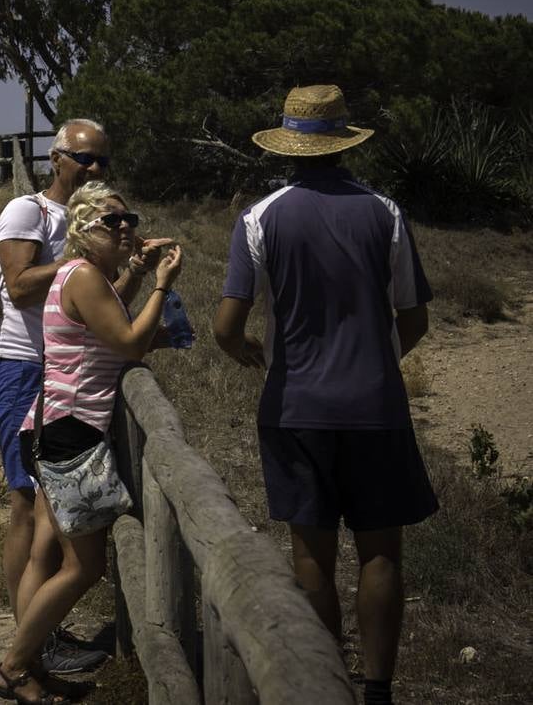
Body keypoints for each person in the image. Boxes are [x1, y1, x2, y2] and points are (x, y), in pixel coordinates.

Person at [213, 85, 437, 705]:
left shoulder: (260, 217)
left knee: (311, 554)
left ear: (288, 147)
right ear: (343, 143)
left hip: (295, 408)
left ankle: (321, 684)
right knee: (381, 552)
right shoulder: (386, 212)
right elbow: (413, 316)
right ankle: (379, 692)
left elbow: (227, 326)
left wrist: (250, 355)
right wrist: (377, 364)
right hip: (376, 406)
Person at [0, 119, 172, 673]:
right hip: (27, 372)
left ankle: (35, 646)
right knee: (36, 521)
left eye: (102, 162)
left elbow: (103, 315)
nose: (93, 168)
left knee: (50, 532)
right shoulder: (30, 215)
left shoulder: (84, 270)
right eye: (84, 159)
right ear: (57, 158)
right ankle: (24, 655)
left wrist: (128, 267)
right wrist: (148, 280)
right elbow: (20, 285)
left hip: (52, 398)